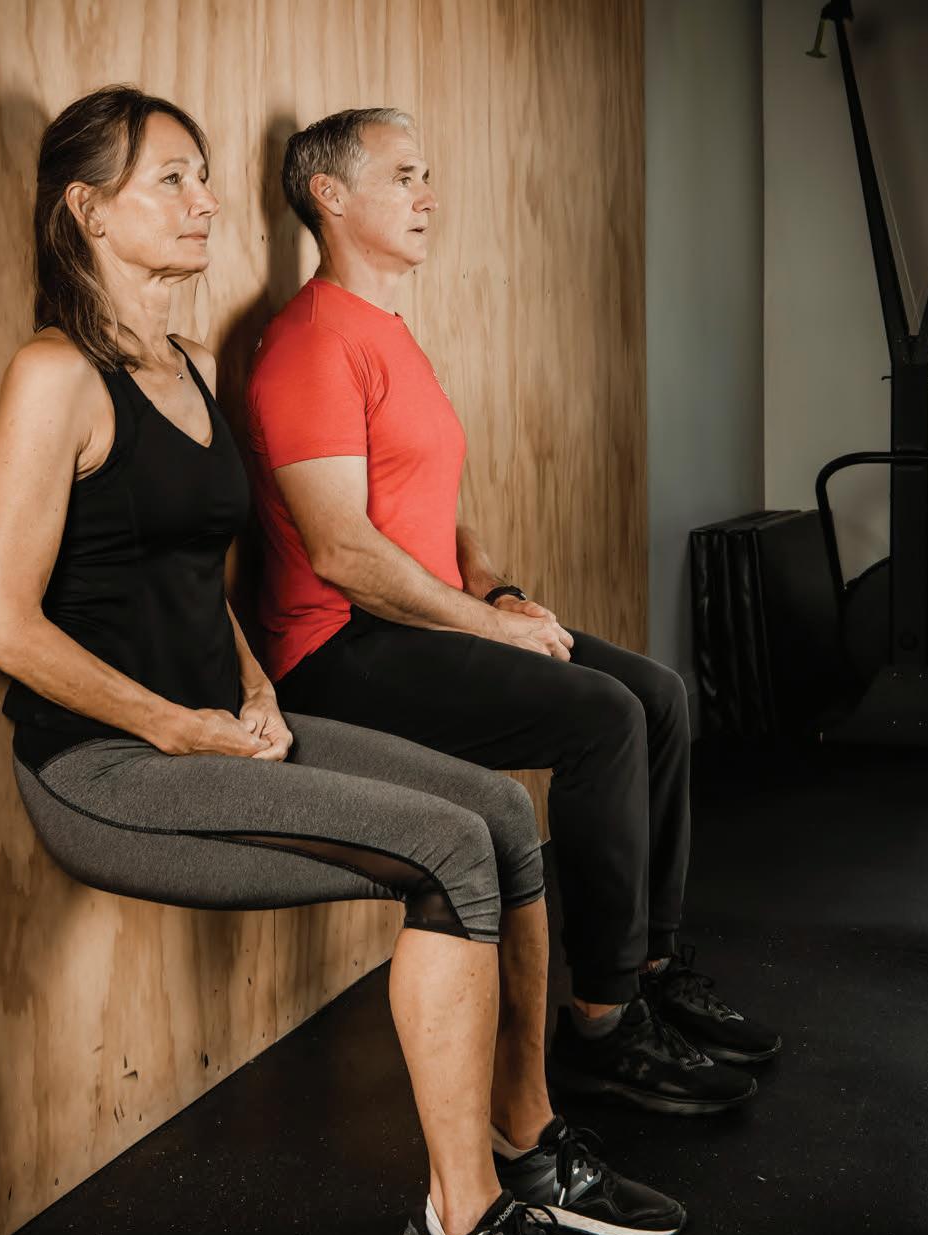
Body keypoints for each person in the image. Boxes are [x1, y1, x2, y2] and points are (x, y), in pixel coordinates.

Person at [0, 85, 686, 1235]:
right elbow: (1, 624)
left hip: (219, 725)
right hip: (105, 766)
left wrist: (249, 685)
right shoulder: (54, 374)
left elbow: (205, 587)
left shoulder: (191, 369)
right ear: (86, 210)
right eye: (171, 179)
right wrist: (173, 725)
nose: (205, 202)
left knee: (495, 815)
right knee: (451, 848)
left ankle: (524, 1144)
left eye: (204, 175)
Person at [247, 109, 782, 1119]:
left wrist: (493, 587)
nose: (428, 196)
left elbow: (436, 506)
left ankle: (648, 965)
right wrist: (488, 628)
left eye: (427, 175)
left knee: (658, 696)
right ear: (329, 194)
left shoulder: (387, 332)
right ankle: (602, 1023)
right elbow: (342, 553)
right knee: (601, 717)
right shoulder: (309, 344)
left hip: (416, 621)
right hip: (336, 647)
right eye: (404, 175)